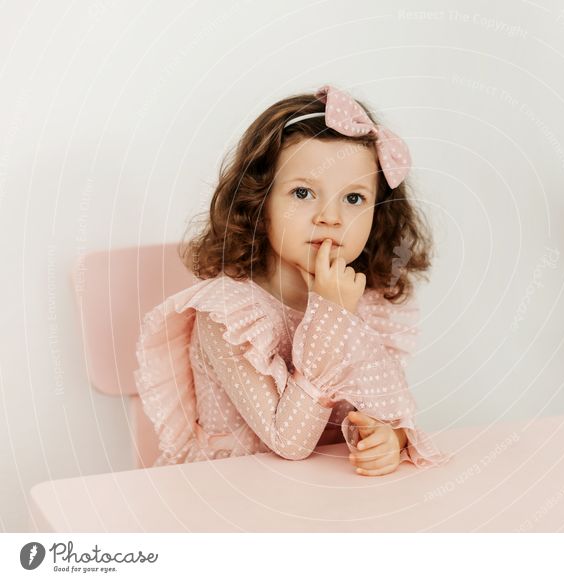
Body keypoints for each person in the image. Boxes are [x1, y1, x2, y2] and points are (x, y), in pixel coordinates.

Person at [134, 84, 453, 476]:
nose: (330, 217)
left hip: (320, 499)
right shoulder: (230, 318)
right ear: (259, 202)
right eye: (303, 192)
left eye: (353, 199)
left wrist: (388, 438)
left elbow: (388, 405)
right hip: (231, 495)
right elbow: (289, 442)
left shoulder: (365, 301)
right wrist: (332, 316)